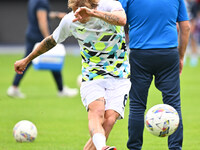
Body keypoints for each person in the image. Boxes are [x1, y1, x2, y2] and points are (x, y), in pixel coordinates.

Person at [13, 0, 131, 149]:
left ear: (93, 5)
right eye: (75, 10)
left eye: (82, 11)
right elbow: (51, 41)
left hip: (119, 75)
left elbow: (121, 20)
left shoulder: (110, 5)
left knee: (109, 120)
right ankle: (102, 148)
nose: (78, 15)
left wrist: (93, 14)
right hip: (92, 75)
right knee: (97, 112)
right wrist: (27, 59)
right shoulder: (70, 20)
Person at [119, 0, 190, 149]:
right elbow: (186, 27)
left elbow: (118, 20)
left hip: (139, 53)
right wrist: (181, 56)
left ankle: (134, 147)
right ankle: (175, 148)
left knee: (137, 105)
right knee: (174, 104)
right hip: (168, 54)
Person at [7, 0, 78, 98]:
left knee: (28, 60)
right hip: (38, 36)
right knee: (51, 60)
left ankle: (14, 87)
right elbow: (42, 21)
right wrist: (49, 40)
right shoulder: (42, 2)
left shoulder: (33, 1)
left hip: (31, 33)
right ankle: (61, 90)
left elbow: (43, 14)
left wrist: (57, 15)